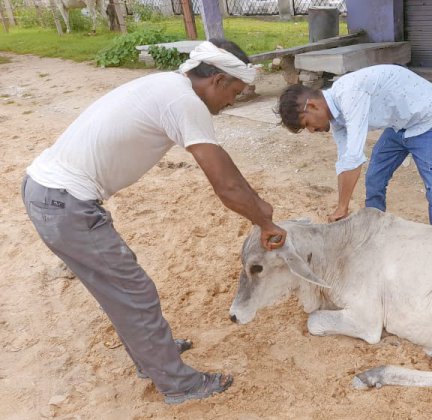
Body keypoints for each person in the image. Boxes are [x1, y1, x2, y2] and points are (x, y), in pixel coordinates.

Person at [20, 38, 287, 404]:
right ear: (218, 81)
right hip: (65, 203)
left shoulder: (168, 86)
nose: (232, 101)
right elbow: (225, 186)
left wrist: (258, 205)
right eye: (235, 92)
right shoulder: (184, 101)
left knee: (121, 289)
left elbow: (227, 169)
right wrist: (265, 222)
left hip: (49, 193)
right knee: (133, 292)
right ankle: (180, 385)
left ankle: (153, 354)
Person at [277, 64, 432, 227]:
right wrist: (341, 205)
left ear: (313, 106)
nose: (311, 130)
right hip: (400, 124)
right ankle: (373, 230)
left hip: (428, 118)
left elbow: (354, 157)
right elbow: (345, 161)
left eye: (307, 123)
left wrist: (342, 207)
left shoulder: (349, 94)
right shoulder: (336, 119)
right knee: (374, 179)